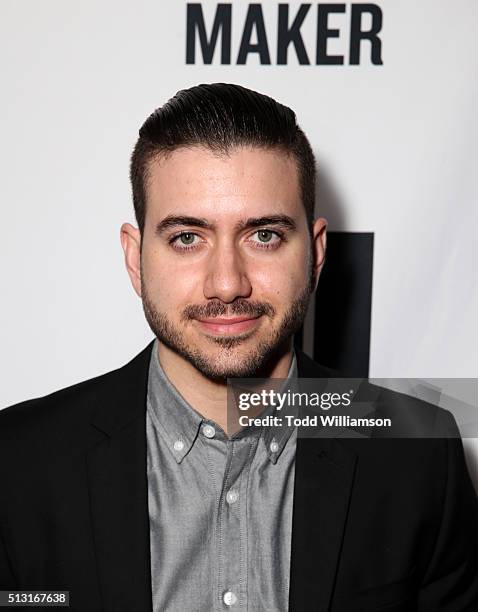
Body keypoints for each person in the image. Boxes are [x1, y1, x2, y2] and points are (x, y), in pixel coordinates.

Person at [1, 83, 477, 612]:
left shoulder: (419, 451)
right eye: (187, 237)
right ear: (136, 259)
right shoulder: (17, 464)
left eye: (264, 235)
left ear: (315, 255)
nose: (227, 284)